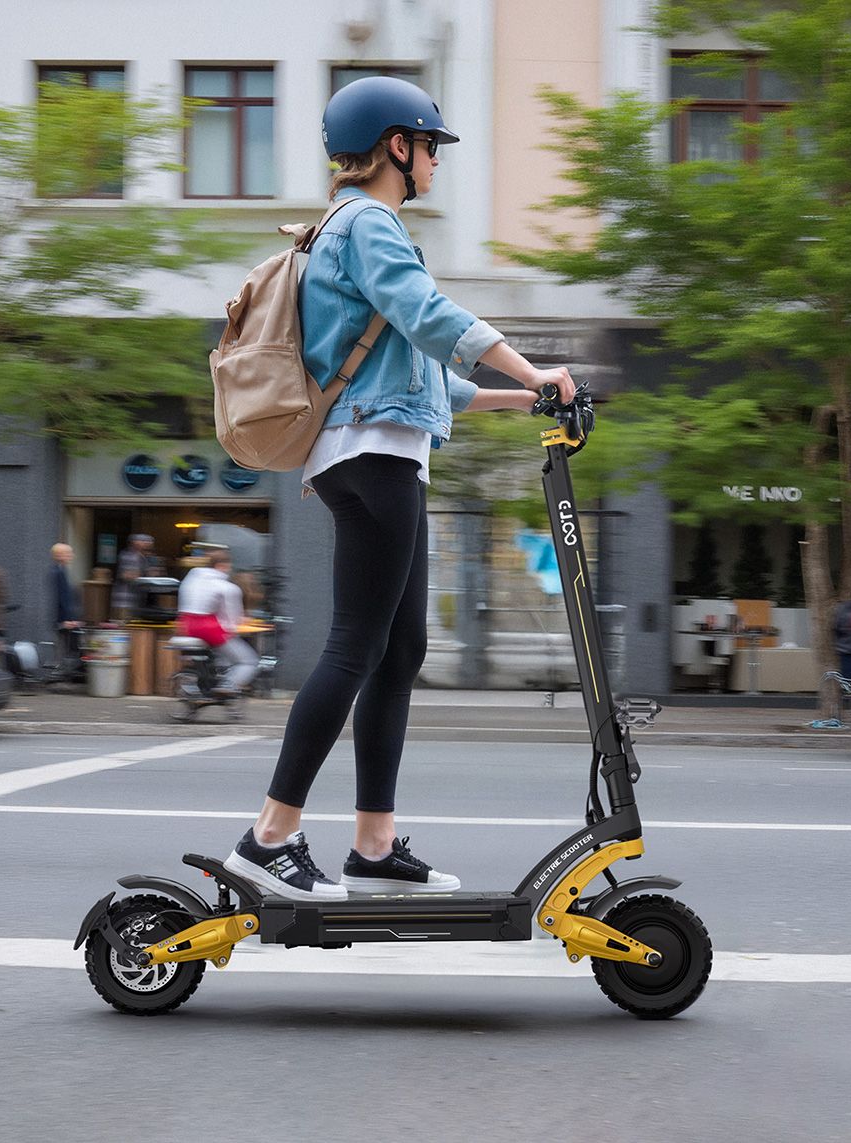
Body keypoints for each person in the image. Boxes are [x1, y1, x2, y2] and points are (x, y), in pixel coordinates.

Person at [224, 76, 577, 904]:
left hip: (378, 449)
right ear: (396, 146)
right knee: (356, 643)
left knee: (399, 646)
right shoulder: (367, 223)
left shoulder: (344, 232)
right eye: (429, 146)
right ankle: (268, 837)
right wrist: (531, 365)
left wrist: (525, 397)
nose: (435, 162)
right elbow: (428, 314)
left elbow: (424, 376)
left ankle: (374, 845)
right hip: (373, 454)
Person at [177, 547, 259, 696]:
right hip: (207, 628)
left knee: (222, 654)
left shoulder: (192, 576)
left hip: (187, 624)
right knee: (248, 661)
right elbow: (231, 618)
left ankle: (209, 681)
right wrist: (240, 623)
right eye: (228, 566)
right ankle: (228, 686)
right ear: (222, 565)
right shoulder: (227, 587)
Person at [50, 542, 82, 667]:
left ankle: (62, 671)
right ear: (60, 555)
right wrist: (67, 619)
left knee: (65, 648)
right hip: (62, 618)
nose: (71, 556)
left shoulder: (61, 570)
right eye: (68, 553)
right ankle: (61, 672)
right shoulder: (58, 572)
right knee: (66, 650)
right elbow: (61, 597)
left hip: (63, 617)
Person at [111, 533, 155, 619]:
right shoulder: (128, 556)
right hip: (124, 601)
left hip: (135, 601)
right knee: (123, 623)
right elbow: (126, 575)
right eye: (145, 541)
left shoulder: (143, 557)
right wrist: (144, 575)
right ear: (135, 543)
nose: (148, 544)